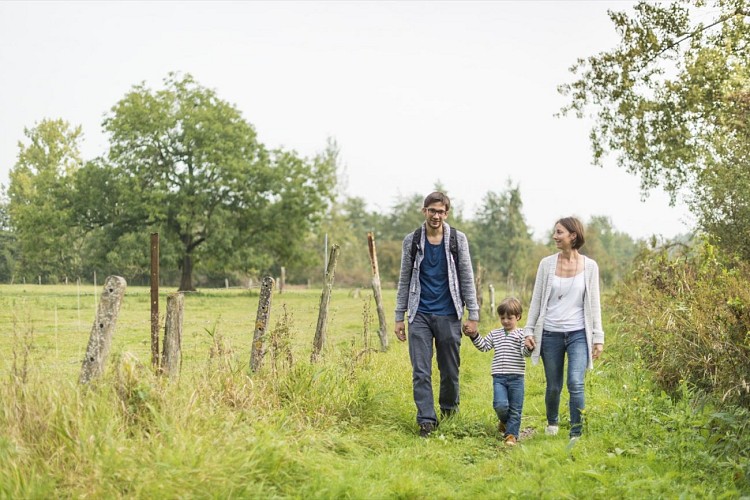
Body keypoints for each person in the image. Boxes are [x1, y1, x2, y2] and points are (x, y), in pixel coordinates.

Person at [394, 191, 480, 438]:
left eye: (441, 211)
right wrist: (399, 315)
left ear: (447, 213)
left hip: (449, 313)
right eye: (432, 210)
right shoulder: (412, 241)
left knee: (450, 370)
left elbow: (466, 277)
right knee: (421, 370)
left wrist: (472, 314)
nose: (436, 215)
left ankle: (449, 410)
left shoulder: (457, 240)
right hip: (419, 313)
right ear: (424, 211)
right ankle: (426, 420)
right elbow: (404, 279)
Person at [523, 217, 604, 442]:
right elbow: (536, 301)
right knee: (554, 386)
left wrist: (598, 337)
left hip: (578, 333)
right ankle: (552, 423)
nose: (555, 236)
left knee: (575, 383)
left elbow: (594, 304)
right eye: (555, 232)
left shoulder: (590, 267)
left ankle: (576, 432)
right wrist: (529, 330)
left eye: (559, 232)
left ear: (573, 236)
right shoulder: (546, 264)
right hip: (550, 333)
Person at [463, 297, 532, 446]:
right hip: (499, 378)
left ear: (518, 317)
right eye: (503, 318)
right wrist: (474, 335)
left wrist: (529, 347)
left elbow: (525, 353)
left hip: (517, 378)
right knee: (499, 405)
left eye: (510, 318)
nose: (506, 321)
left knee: (515, 408)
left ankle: (511, 435)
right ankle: (504, 421)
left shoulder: (522, 334)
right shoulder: (495, 334)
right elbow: (484, 346)